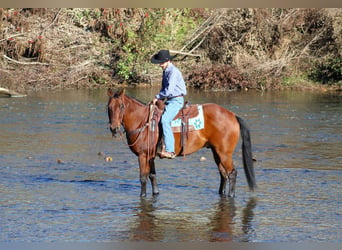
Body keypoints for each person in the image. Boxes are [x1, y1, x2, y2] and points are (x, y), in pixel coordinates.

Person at [151, 50, 187, 159]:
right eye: (159, 62)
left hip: (176, 100)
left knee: (165, 120)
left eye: (162, 62)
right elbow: (164, 88)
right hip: (170, 99)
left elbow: (169, 90)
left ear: (168, 61)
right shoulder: (166, 70)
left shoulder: (173, 72)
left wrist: (157, 97)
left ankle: (170, 150)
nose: (160, 64)